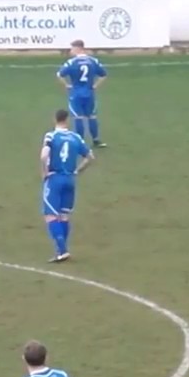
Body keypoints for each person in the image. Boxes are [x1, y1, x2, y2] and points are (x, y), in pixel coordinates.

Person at [39, 109, 93, 263]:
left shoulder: (51, 136)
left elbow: (44, 155)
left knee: (50, 215)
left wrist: (44, 172)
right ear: (67, 120)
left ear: (54, 119)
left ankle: (62, 250)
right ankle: (62, 249)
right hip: (70, 179)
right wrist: (77, 170)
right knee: (64, 215)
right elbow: (90, 157)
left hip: (55, 179)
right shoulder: (76, 137)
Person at [55, 39, 108, 148]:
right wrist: (95, 85)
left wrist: (66, 85)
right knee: (92, 116)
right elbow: (103, 74)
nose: (70, 51)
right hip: (89, 93)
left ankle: (80, 141)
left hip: (76, 93)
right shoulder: (93, 61)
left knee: (78, 117)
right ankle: (96, 140)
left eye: (72, 48)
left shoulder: (72, 62)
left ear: (78, 48)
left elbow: (59, 74)